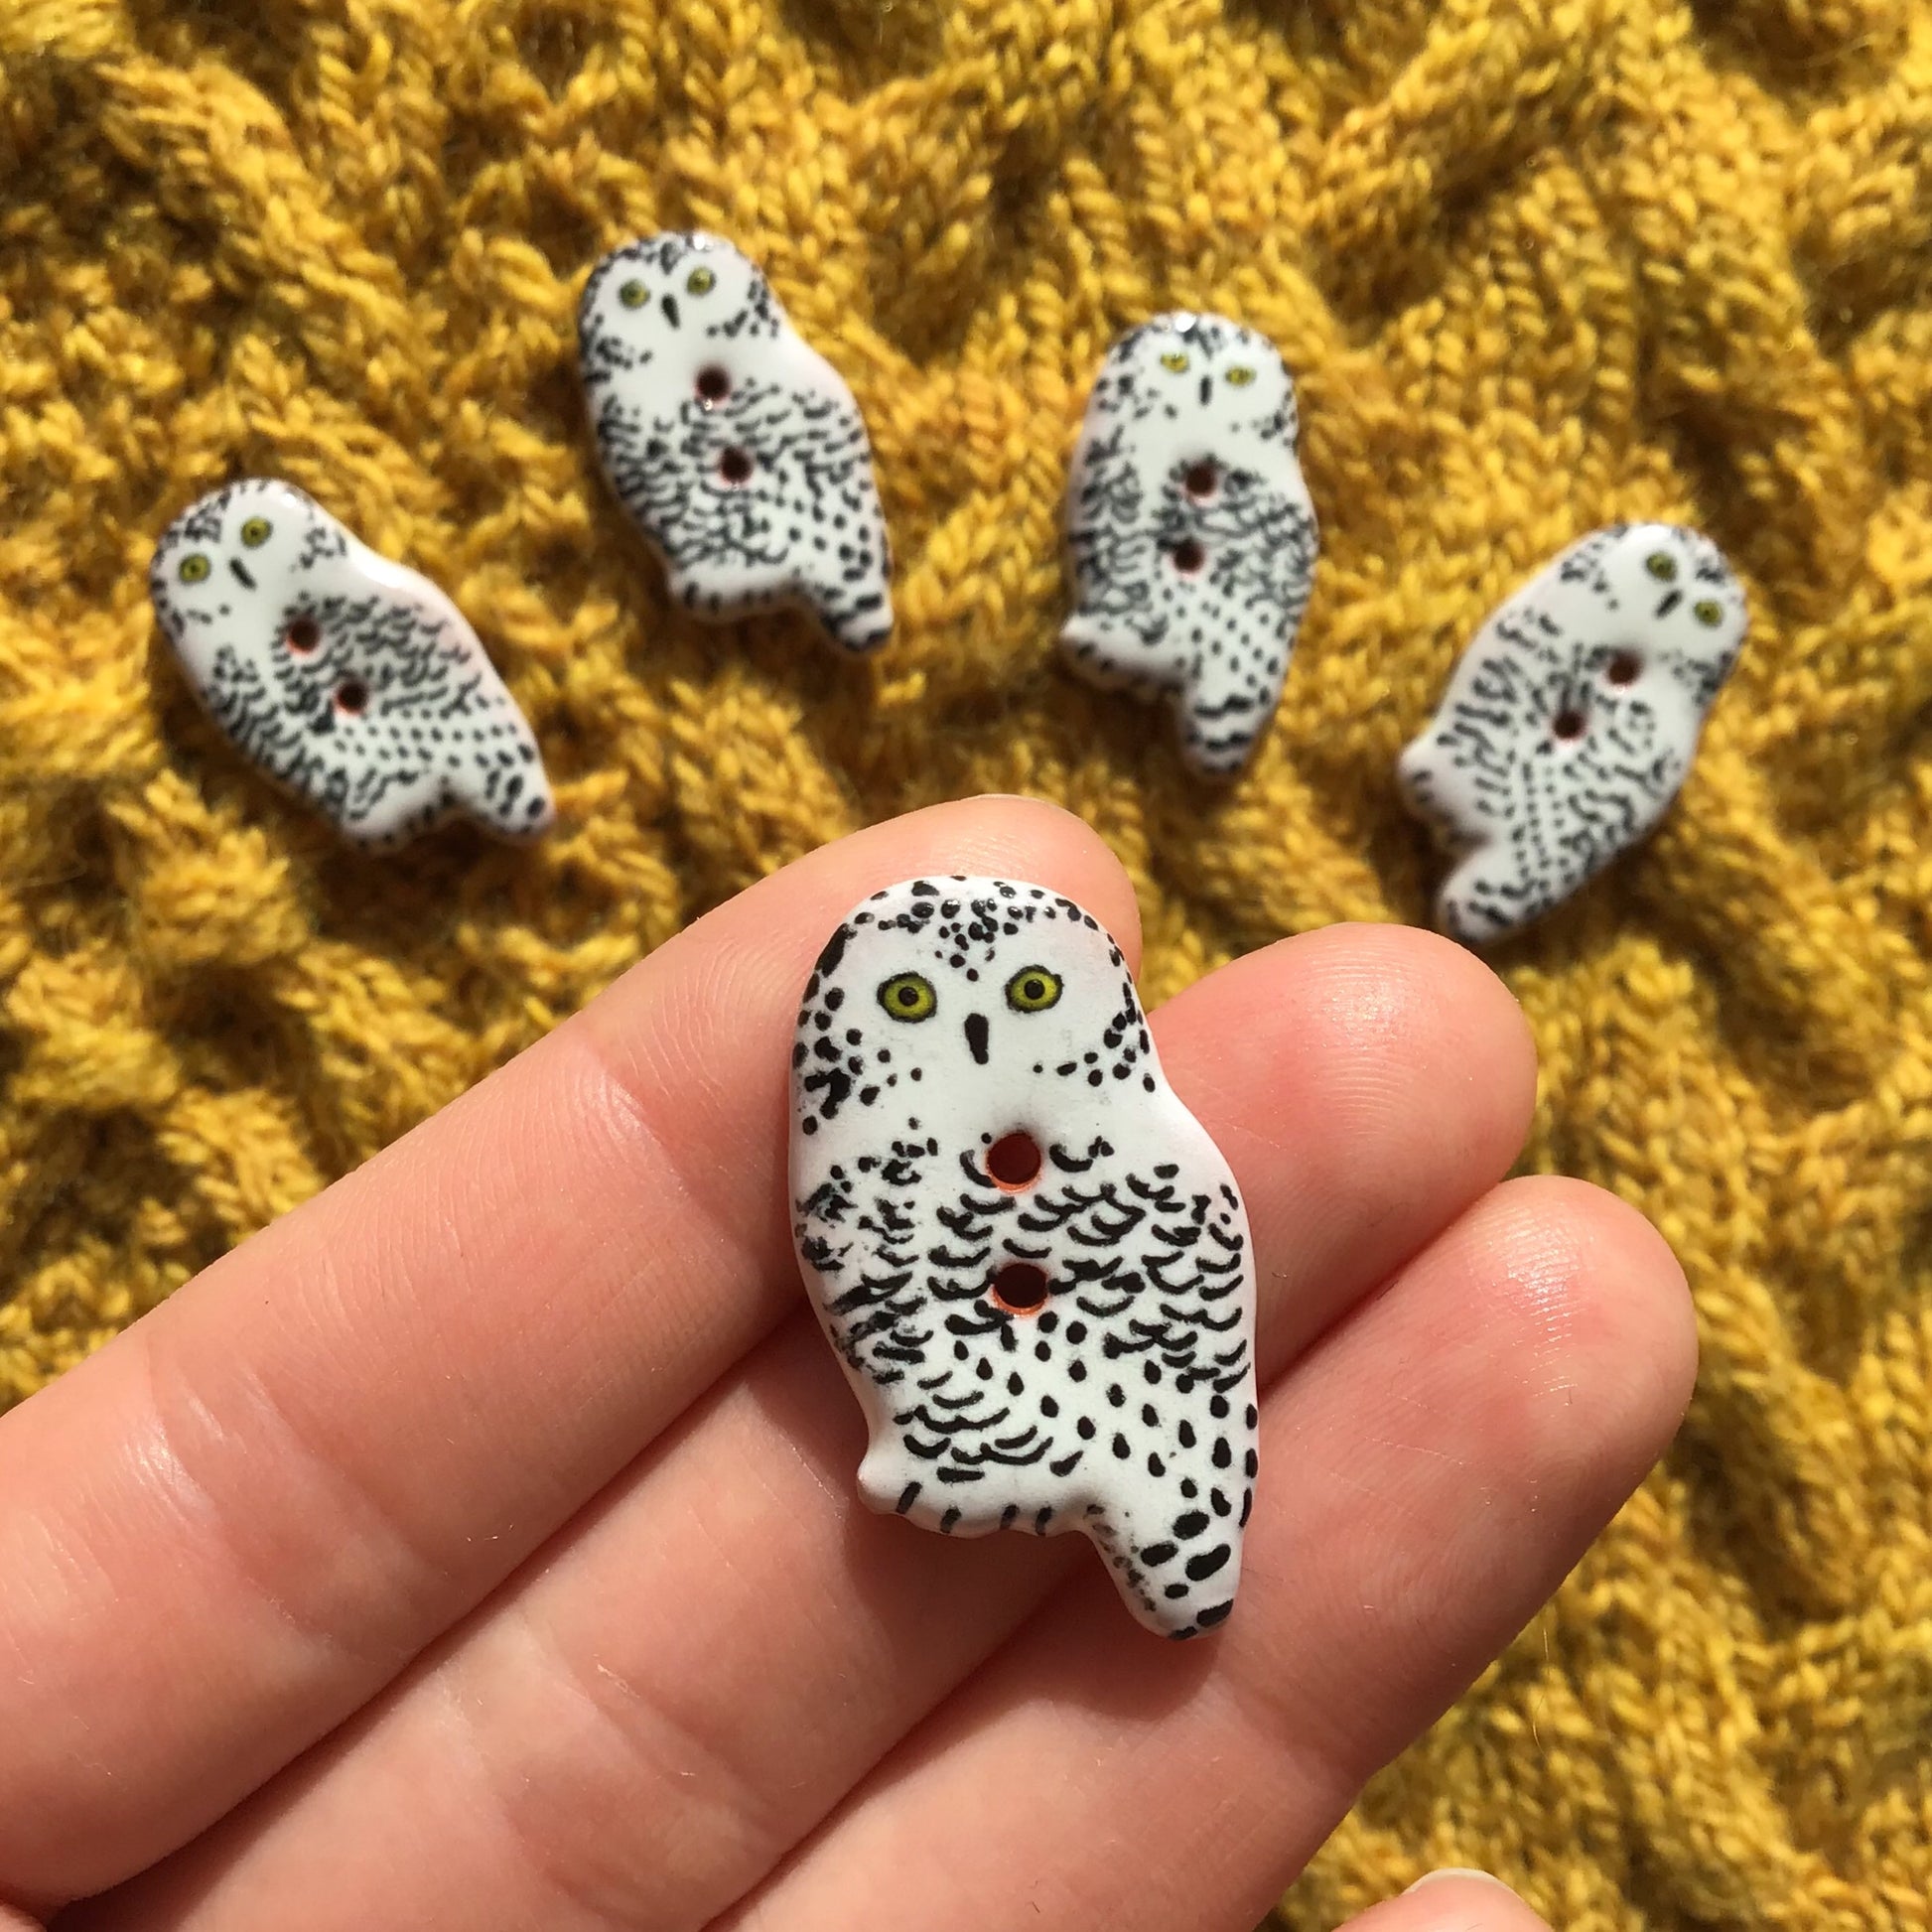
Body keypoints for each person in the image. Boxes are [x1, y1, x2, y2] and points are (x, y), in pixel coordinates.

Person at [0, 798, 1694, 1930]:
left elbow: (1148, 1370)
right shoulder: (873, 1170)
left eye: (1022, 994)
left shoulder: (1145, 1166)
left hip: (1131, 1460)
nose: (981, 1041)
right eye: (916, 1012)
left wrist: (1124, 1490)